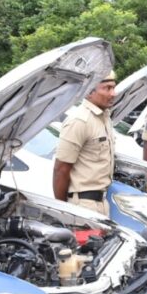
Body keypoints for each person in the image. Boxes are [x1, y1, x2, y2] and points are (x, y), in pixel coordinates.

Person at [53, 71, 118, 216]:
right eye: (107, 88)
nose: (113, 93)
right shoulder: (79, 121)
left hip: (101, 202)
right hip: (83, 205)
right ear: (89, 92)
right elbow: (61, 169)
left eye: (114, 87)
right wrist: (65, 211)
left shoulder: (105, 118)